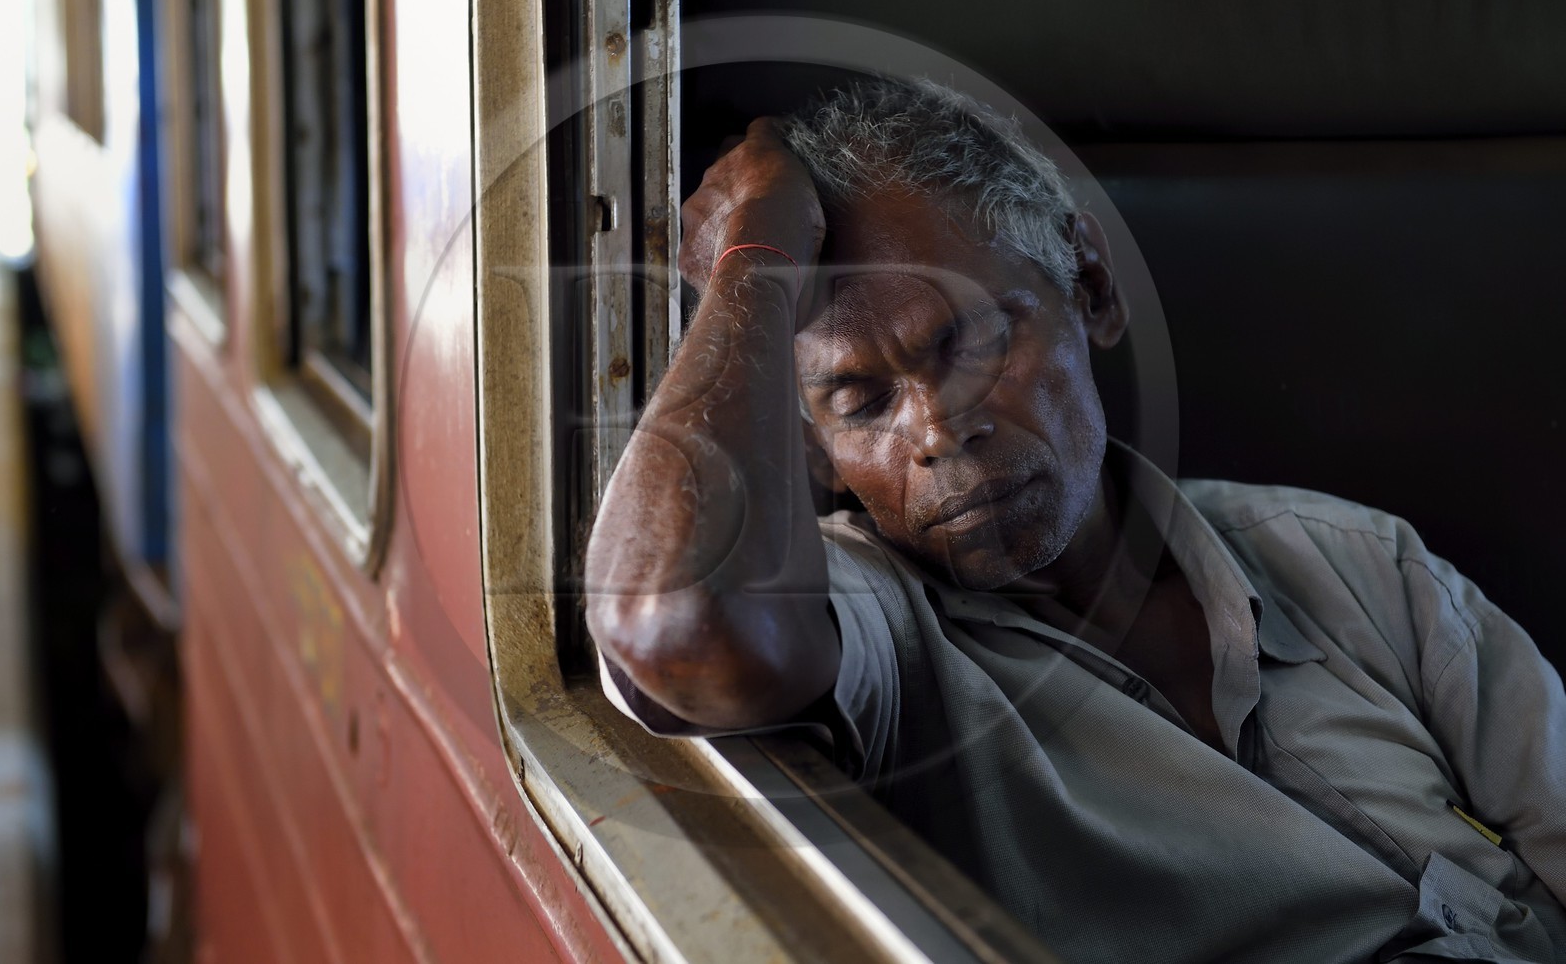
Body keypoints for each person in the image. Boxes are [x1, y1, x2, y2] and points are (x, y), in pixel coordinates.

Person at [584, 78, 1566, 963]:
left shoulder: (1351, 561)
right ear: (814, 457)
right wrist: (754, 254)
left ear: (1089, 289)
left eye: (967, 345)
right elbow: (680, 628)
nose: (938, 430)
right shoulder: (885, 641)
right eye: (859, 402)